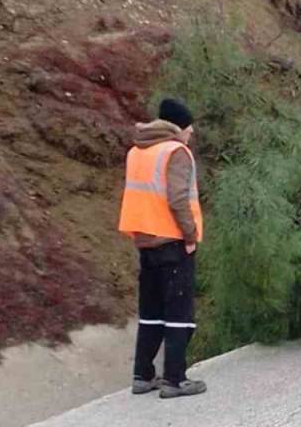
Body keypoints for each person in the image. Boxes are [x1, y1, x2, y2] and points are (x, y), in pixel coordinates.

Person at [118, 98, 207, 399]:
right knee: (179, 311)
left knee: (151, 311)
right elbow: (178, 198)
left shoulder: (137, 151)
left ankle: (142, 375)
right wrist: (191, 234)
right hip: (172, 240)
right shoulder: (175, 152)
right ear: (178, 127)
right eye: (189, 129)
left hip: (145, 241)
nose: (191, 134)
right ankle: (174, 379)